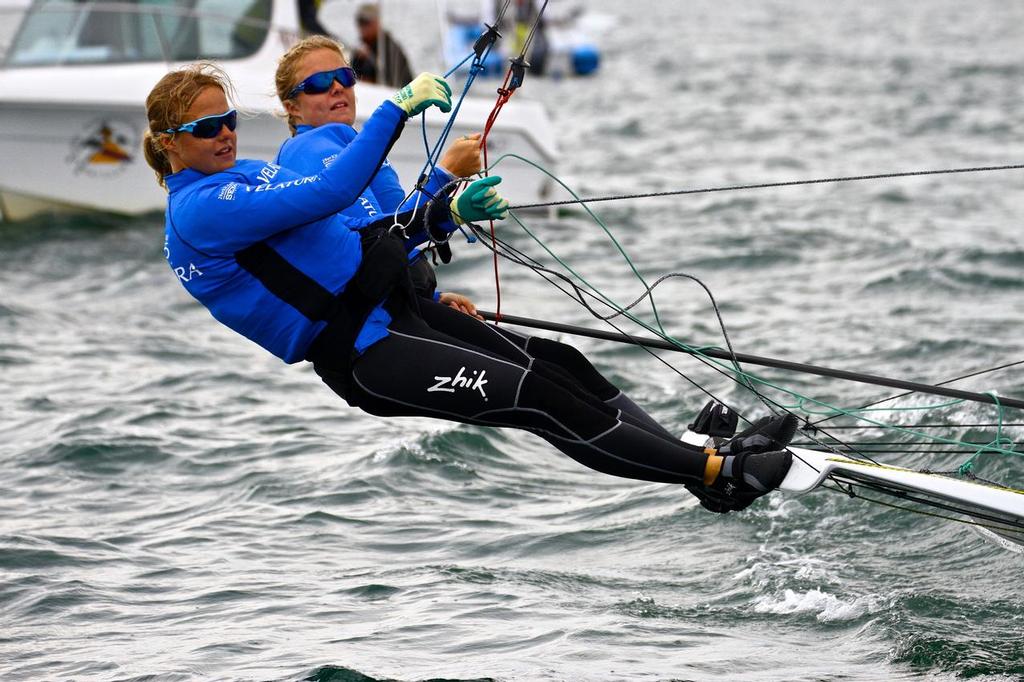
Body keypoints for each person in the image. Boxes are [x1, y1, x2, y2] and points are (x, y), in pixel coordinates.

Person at [144, 63, 796, 515]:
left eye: (227, 118)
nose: (224, 133)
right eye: (206, 128)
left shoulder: (248, 174)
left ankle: (697, 459)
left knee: (558, 368)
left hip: (399, 315)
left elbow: (359, 231)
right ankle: (716, 476)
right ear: (170, 143)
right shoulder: (200, 211)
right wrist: (395, 112)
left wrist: (439, 220)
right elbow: (332, 192)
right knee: (540, 400)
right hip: (367, 354)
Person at [274, 35, 481, 313]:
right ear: (292, 107)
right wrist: (445, 174)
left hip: (405, 300)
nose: (336, 87)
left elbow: (401, 229)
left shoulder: (350, 146)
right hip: (377, 317)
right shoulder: (305, 150)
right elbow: (374, 244)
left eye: (344, 77)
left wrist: (432, 297)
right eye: (320, 83)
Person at [349, 3, 413, 87]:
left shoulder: (391, 49)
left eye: (366, 22)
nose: (363, 27)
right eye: (360, 22)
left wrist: (370, 58)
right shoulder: (359, 50)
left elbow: (393, 80)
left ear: (377, 22)